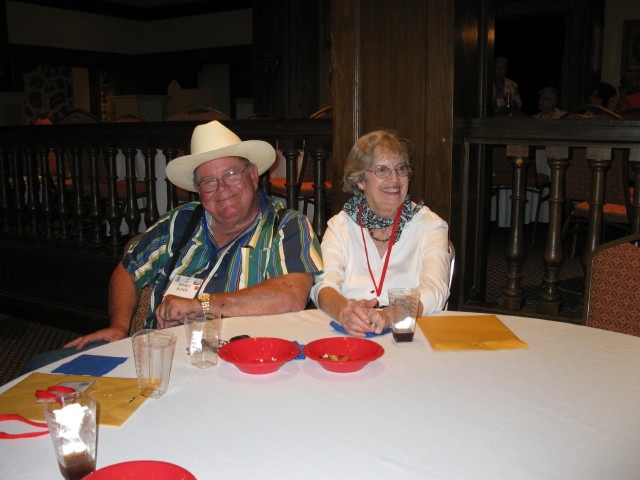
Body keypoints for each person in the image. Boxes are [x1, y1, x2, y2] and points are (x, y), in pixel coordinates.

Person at [25, 120, 323, 368]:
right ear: (198, 190)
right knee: (41, 370)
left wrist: (200, 305)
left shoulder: (286, 224)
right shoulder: (179, 222)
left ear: (254, 176)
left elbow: (291, 295)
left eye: (232, 174)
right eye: (208, 181)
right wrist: (119, 326)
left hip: (238, 363)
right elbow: (127, 270)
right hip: (158, 355)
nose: (222, 189)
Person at [310, 129, 450, 337]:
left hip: (409, 334)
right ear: (360, 181)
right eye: (382, 170)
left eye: (401, 169)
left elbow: (435, 290)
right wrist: (344, 311)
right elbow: (324, 284)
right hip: (350, 333)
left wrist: (391, 315)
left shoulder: (429, 224)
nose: (394, 179)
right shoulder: (341, 226)